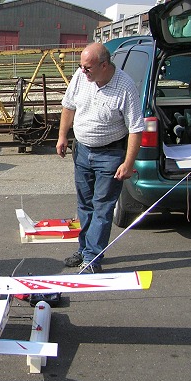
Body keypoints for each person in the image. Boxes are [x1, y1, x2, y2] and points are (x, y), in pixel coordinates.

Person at [56, 43, 144, 273]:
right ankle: (84, 249)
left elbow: (136, 128)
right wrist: (62, 136)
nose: (82, 72)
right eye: (81, 67)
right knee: (84, 204)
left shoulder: (125, 87)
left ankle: (93, 259)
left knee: (102, 208)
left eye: (87, 68)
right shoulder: (81, 76)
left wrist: (128, 163)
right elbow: (68, 106)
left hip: (111, 154)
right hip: (83, 150)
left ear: (104, 66)